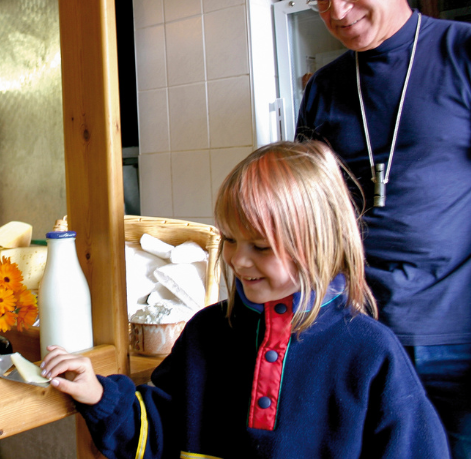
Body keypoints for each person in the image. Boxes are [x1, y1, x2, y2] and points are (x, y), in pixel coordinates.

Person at [41, 141, 449, 458]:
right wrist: (97, 393)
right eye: (231, 239)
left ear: (320, 244)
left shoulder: (371, 353)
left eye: (260, 246)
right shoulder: (206, 333)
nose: (237, 259)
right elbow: (156, 434)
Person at [296, 0, 471, 457]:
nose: (337, 11)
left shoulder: (460, 53)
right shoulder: (325, 87)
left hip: (458, 335)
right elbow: (310, 210)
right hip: (359, 331)